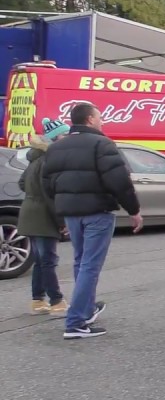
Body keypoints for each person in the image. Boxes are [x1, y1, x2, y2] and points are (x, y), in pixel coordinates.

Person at [42, 102, 144, 339]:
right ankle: (76, 321)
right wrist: (134, 210)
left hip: (71, 214)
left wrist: (61, 214)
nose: (102, 121)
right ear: (89, 119)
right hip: (97, 212)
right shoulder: (101, 144)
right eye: (99, 117)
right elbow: (119, 181)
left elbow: (47, 185)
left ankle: (86, 309)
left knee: (81, 262)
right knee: (90, 265)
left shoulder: (56, 148)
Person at [18, 118, 70, 315]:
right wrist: (61, 221)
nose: (68, 138)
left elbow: (22, 183)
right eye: (64, 135)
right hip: (43, 215)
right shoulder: (49, 160)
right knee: (48, 260)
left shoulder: (35, 158)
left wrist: (33, 196)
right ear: (55, 138)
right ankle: (57, 301)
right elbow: (50, 194)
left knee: (41, 260)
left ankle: (38, 300)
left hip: (29, 211)